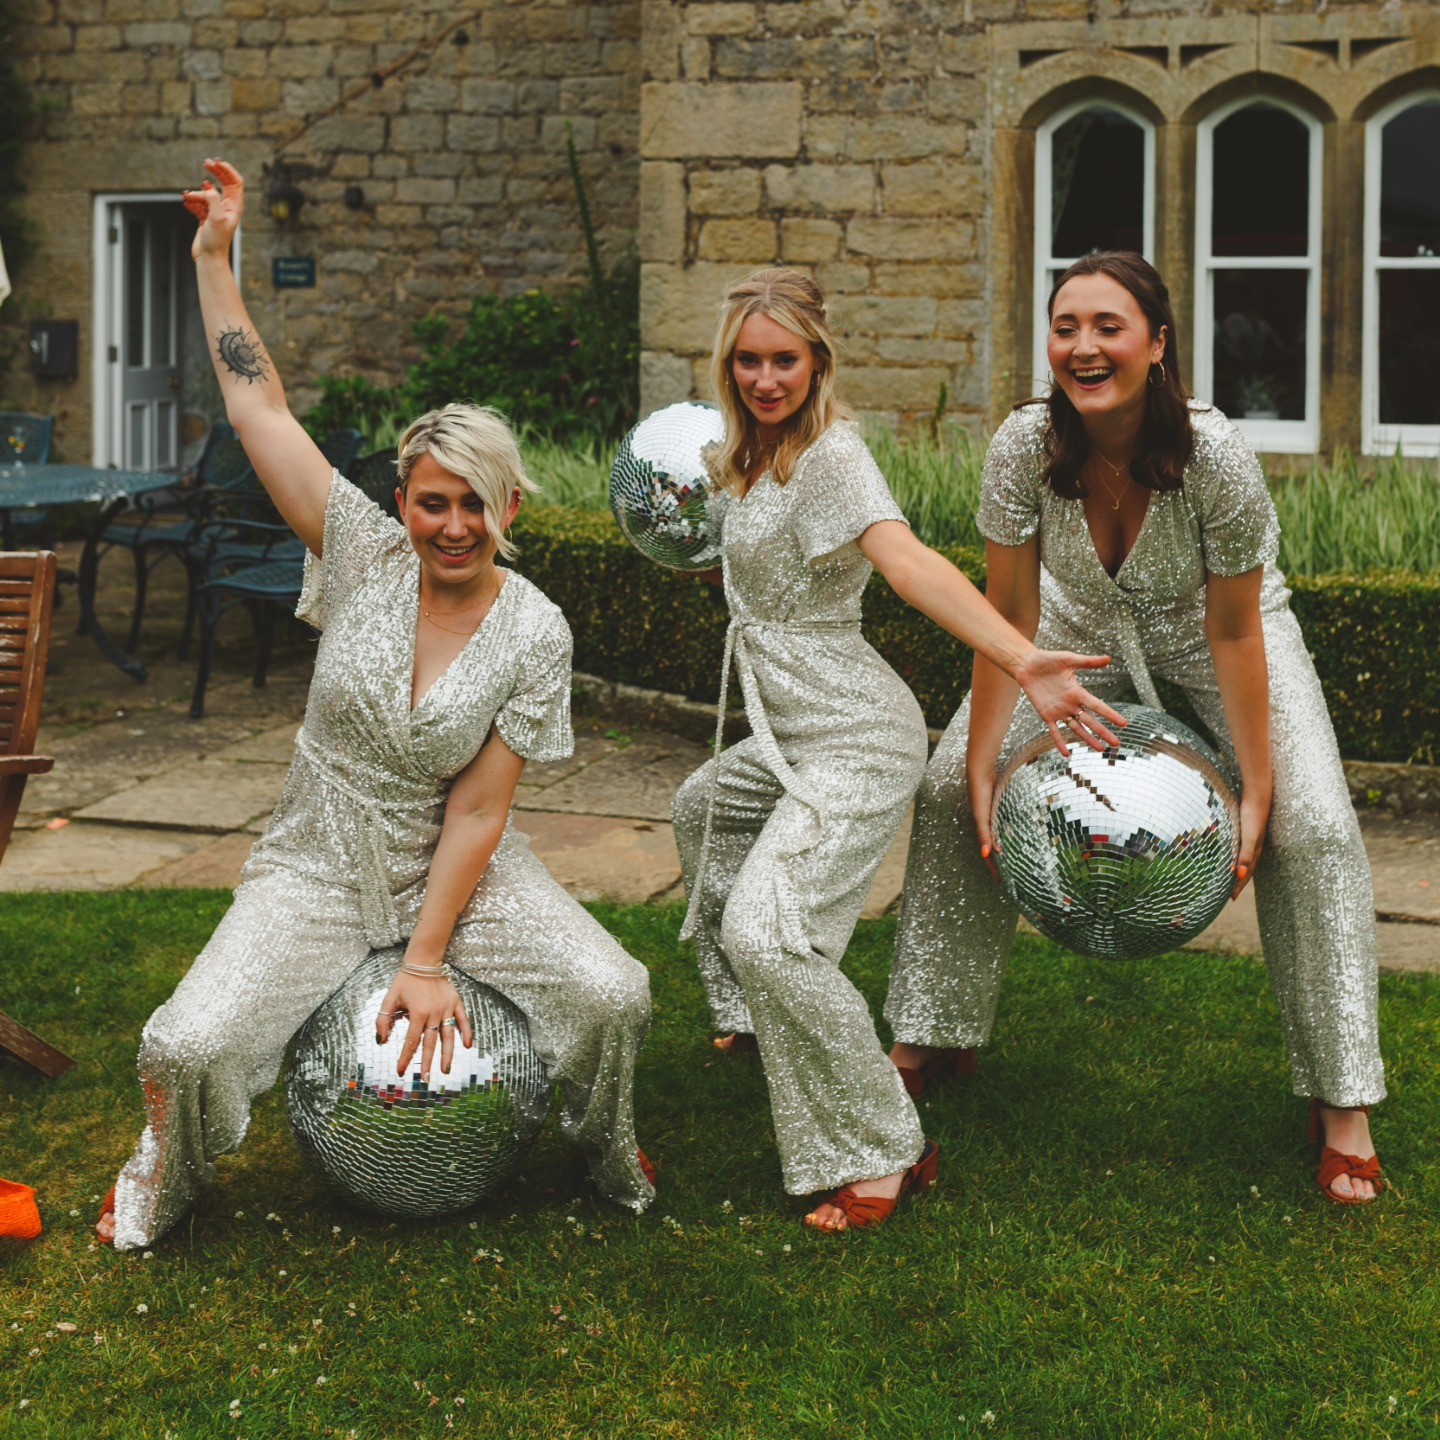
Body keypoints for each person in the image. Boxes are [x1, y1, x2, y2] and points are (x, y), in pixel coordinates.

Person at [97, 159, 654, 1248]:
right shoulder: (361, 554)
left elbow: (482, 813)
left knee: (614, 993)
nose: (452, 526)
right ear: (400, 501)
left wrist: (427, 957)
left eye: (476, 507)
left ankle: (605, 1143)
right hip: (315, 862)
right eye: (432, 502)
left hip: (459, 866)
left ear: (511, 507)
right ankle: (167, 1177)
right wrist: (215, 257)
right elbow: (258, 404)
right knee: (185, 1046)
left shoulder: (536, 629)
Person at [885, 251, 1385, 1205]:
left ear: (1156, 345)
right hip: (1072, 632)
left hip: (1219, 633)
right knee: (949, 784)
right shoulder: (1022, 444)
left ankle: (1343, 1098)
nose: (1083, 346)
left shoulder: (1214, 453)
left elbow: (1237, 631)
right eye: (1066, 326)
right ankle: (931, 1034)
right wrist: (986, 762)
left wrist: (1259, 793)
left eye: (1107, 326)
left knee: (1315, 830)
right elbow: (1010, 615)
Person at [671, 268, 1123, 1233]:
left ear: (817, 360)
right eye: (747, 360)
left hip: (853, 738)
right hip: (786, 728)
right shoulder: (753, 453)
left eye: (783, 359)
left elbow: (907, 559)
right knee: (704, 810)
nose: (764, 376)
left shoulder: (832, 457)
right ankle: (754, 1014)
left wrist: (1017, 654)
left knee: (770, 933)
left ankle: (885, 1147)